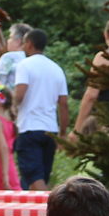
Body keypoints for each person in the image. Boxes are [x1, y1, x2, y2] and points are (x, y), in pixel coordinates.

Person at [12, 28, 71, 190]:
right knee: (41, 178)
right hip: (50, 130)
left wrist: (11, 109)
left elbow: (20, 94)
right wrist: (62, 133)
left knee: (34, 179)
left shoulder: (24, 65)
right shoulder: (56, 69)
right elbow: (63, 104)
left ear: (30, 44)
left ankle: (53, 204)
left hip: (29, 127)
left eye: (24, 43)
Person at [73, 18, 109, 137]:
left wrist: (77, 129)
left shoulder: (105, 57)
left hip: (107, 120)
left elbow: (91, 95)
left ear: (106, 34)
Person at [0, 23, 31, 92]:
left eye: (10, 37)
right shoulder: (32, 59)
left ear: (18, 41)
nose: (8, 41)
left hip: (11, 97)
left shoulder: (9, 57)